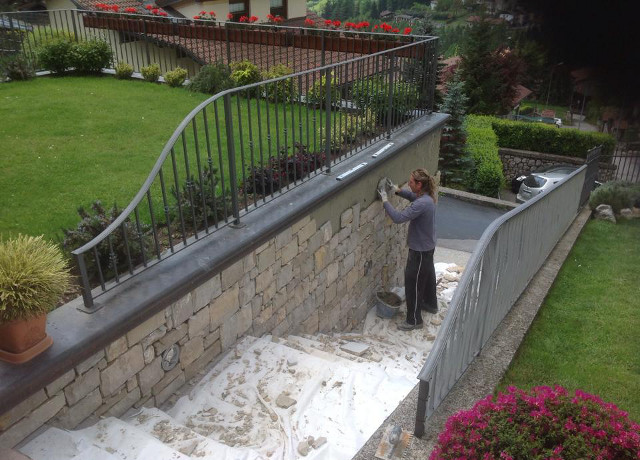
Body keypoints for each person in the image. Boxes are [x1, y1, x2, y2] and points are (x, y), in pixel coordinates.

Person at [378, 169, 438, 331]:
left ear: (419, 184)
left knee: (413, 285)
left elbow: (398, 218)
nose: (409, 183)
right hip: (427, 248)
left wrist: (385, 200)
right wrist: (397, 191)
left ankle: (414, 320)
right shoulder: (427, 198)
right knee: (428, 277)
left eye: (411, 182)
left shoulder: (422, 203)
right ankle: (431, 304)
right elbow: (414, 198)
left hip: (419, 252)